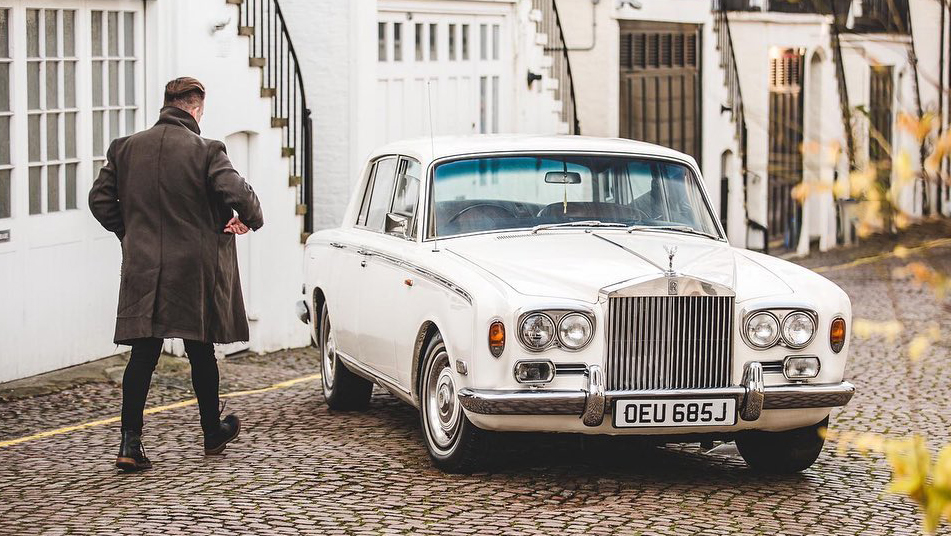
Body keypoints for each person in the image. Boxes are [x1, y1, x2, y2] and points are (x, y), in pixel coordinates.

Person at [89, 77, 264, 472]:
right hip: (194, 268)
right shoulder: (207, 150)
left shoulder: (125, 148)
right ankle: (212, 431)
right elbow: (238, 194)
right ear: (197, 108)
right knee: (200, 350)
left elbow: (99, 200)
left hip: (144, 265)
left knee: (144, 354)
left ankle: (129, 443)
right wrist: (248, 220)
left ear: (167, 103)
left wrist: (131, 232)